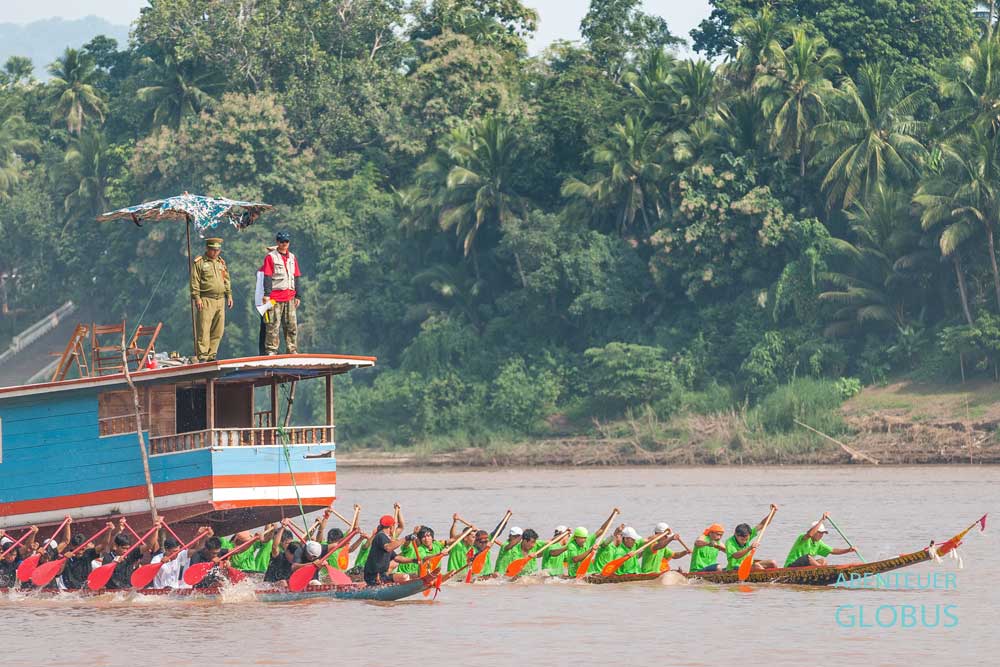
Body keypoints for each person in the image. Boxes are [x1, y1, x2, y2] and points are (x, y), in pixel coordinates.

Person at [190, 237, 233, 362]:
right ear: (207, 249)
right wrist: (197, 298)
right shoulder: (200, 263)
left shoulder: (221, 263)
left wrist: (229, 295)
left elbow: (226, 279)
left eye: (218, 250)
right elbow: (195, 281)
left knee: (218, 330)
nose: (215, 252)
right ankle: (203, 355)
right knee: (204, 328)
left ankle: (211, 355)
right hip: (206, 299)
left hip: (220, 300)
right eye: (213, 250)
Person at [262, 231, 302, 355]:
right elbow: (267, 276)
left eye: (286, 241)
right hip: (275, 297)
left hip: (289, 297)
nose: (284, 244)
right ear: (277, 242)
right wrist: (267, 295)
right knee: (273, 325)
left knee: (291, 326)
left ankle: (292, 349)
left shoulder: (292, 257)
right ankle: (271, 350)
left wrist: (298, 295)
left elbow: (296, 276)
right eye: (281, 241)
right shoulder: (271, 257)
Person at [101, 518, 160, 590]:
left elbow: (149, 546)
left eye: (127, 548)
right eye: (123, 548)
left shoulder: (131, 553)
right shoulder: (108, 558)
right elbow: (102, 576)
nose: (126, 551)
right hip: (113, 592)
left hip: (128, 589)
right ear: (116, 546)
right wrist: (114, 563)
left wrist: (155, 530)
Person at [784, 512, 856, 567]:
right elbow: (810, 534)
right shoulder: (803, 537)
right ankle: (823, 570)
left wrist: (848, 550)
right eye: (820, 533)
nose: (821, 535)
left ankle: (821, 574)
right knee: (808, 557)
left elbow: (833, 550)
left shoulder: (819, 543)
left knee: (823, 561)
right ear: (814, 531)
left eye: (823, 533)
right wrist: (822, 520)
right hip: (791, 566)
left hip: (803, 567)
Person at [726, 507, 779, 572]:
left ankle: (776, 577)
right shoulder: (729, 542)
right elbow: (735, 555)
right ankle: (768, 579)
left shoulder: (748, 534)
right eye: (742, 539)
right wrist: (749, 548)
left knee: (772, 562)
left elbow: (762, 524)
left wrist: (772, 512)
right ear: (735, 534)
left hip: (748, 564)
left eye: (746, 539)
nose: (744, 542)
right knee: (757, 566)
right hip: (734, 568)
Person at [363, 514, 410, 586]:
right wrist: (406, 538)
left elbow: (397, 558)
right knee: (405, 577)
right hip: (374, 577)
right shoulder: (380, 536)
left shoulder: (385, 539)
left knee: (404, 577)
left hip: (382, 575)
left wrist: (414, 560)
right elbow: (388, 548)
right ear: (391, 526)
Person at [253, 246, 277, 356]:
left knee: (273, 327)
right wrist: (266, 305)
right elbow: (261, 290)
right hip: (268, 303)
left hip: (274, 302)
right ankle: (265, 352)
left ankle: (270, 350)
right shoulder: (263, 270)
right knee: (267, 327)